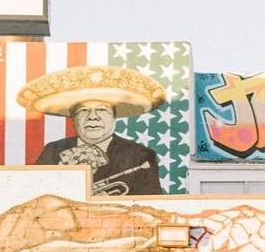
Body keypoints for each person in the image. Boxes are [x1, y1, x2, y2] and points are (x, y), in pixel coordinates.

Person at [17, 65, 166, 195]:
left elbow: (152, 202)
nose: (93, 117)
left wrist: (112, 203)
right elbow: (33, 194)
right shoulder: (53, 150)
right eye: (83, 111)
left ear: (114, 118)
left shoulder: (140, 155)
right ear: (73, 119)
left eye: (101, 110)